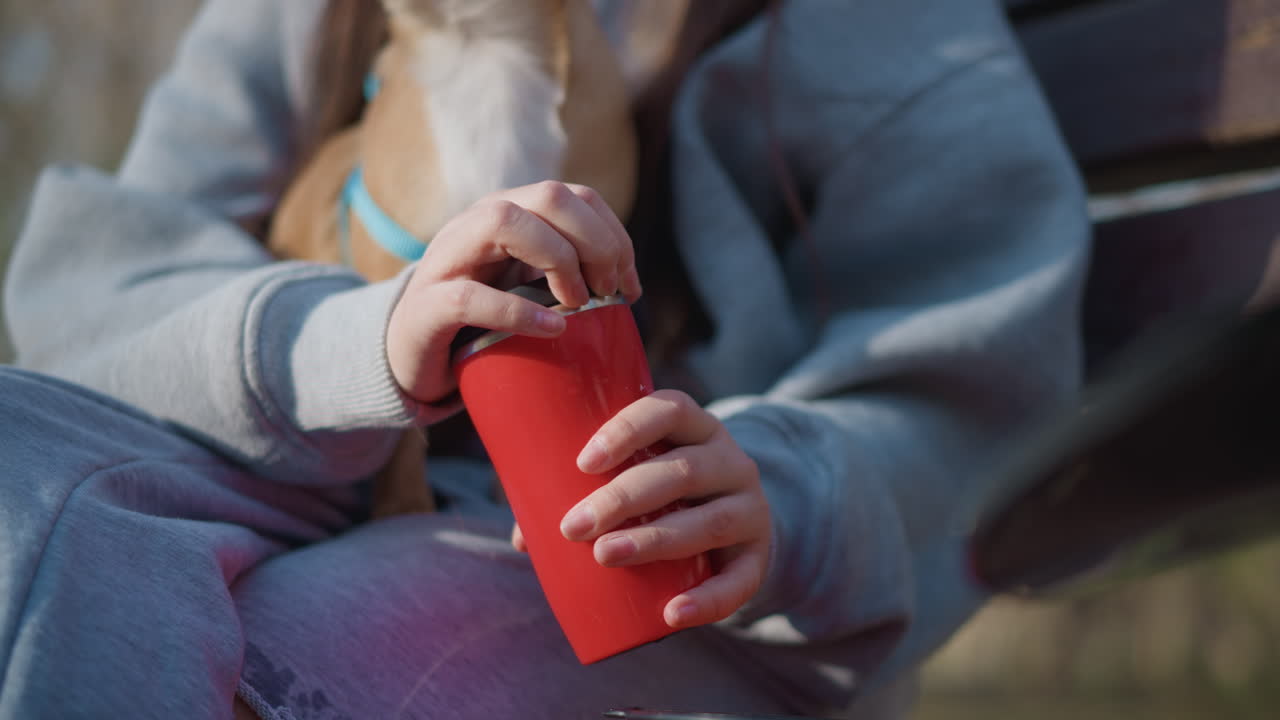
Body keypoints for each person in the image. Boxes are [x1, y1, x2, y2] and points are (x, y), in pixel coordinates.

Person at [0, 0, 1089, 717]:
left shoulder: (880, 33)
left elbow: (978, 386)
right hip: (270, 449)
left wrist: (782, 489)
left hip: (638, 560)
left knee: (312, 634)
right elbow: (106, 295)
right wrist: (356, 343)